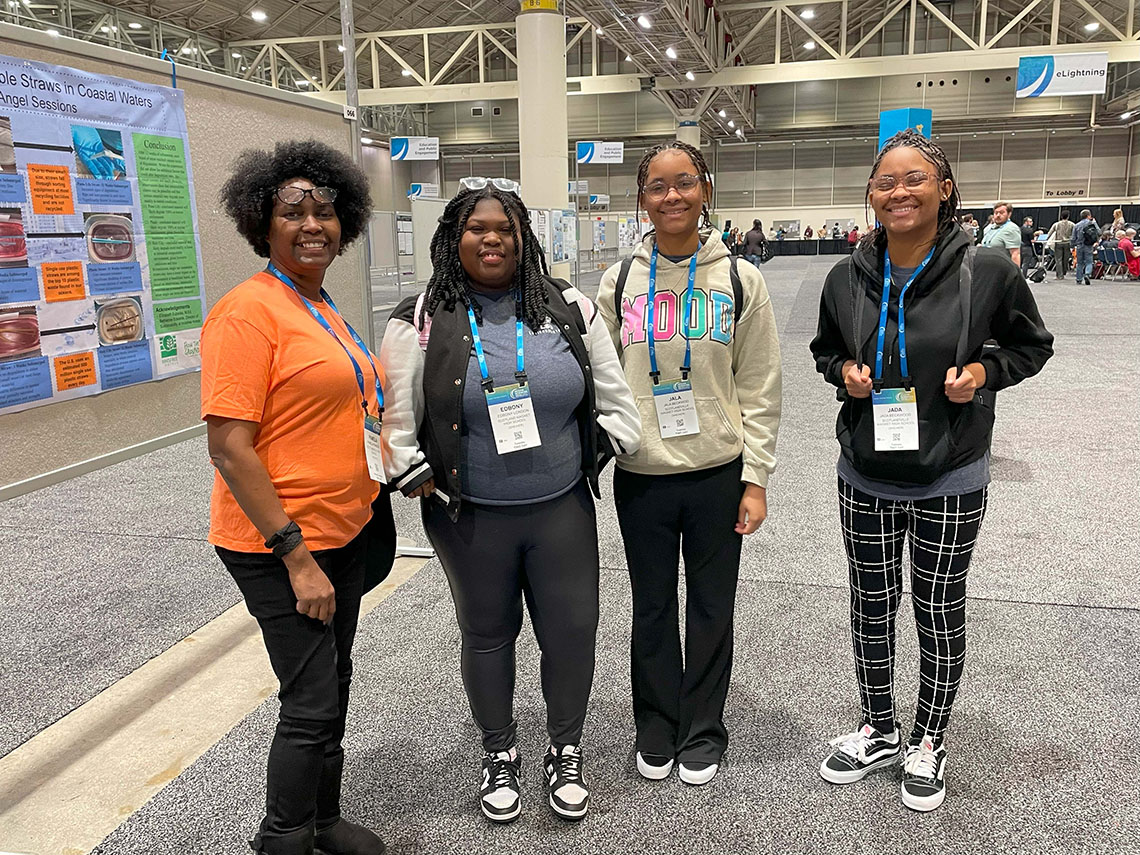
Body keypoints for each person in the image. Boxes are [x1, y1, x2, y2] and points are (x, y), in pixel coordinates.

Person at [379, 178, 640, 824]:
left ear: (524, 236)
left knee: (572, 633)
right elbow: (393, 423)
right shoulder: (418, 318)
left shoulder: (568, 307)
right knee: (488, 634)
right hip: (468, 517)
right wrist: (411, 473)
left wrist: (596, 453)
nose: (491, 237)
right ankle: (500, 753)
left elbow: (614, 400)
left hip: (560, 510)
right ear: (452, 239)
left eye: (504, 227)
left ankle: (566, 748)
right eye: (476, 228)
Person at [810, 130, 1053, 812]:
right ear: (871, 194)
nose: (899, 192)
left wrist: (981, 372)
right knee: (870, 606)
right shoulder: (845, 276)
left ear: (944, 189)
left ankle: (928, 737)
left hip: (951, 471)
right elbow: (824, 350)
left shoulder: (989, 272)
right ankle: (880, 726)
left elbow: (1032, 346)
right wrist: (844, 373)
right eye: (886, 181)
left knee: (937, 608)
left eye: (914, 179)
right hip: (864, 471)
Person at [203, 140, 392, 855]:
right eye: (293, 211)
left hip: (341, 530)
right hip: (280, 542)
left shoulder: (318, 303)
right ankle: (281, 837)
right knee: (310, 700)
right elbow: (228, 447)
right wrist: (296, 557)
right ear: (262, 222)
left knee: (332, 682)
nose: (312, 223)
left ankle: (321, 819)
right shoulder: (246, 313)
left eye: (326, 210)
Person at [597, 140, 782, 787]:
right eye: (657, 186)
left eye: (684, 182)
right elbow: (601, 380)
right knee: (650, 606)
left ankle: (703, 728)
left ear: (704, 188)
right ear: (641, 199)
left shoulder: (739, 280)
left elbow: (760, 385)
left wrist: (755, 477)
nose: (671, 196)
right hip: (642, 475)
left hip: (715, 473)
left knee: (710, 606)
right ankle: (656, 723)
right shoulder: (617, 281)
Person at [1044, 210, 1074, 279]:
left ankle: (1059, 275)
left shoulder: (1056, 224)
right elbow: (1074, 233)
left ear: (1061, 216)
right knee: (1065, 259)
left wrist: (1045, 240)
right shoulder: (1072, 224)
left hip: (1058, 243)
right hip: (1067, 243)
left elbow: (1050, 233)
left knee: (1058, 259)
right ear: (1068, 216)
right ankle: (1064, 272)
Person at [1072, 208, 1098, 285]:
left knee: (1079, 263)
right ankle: (1087, 274)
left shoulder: (1077, 225)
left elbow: (1073, 237)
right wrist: (1095, 223)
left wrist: (1072, 246)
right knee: (1089, 262)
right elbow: (1099, 232)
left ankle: (1078, 279)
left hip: (1079, 245)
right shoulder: (1091, 223)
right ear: (1088, 216)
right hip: (1089, 245)